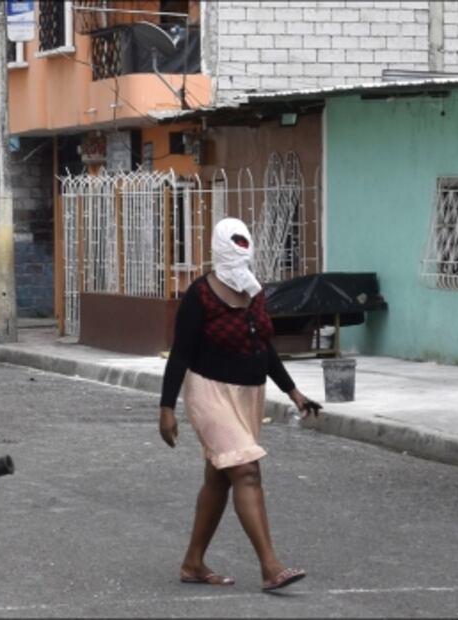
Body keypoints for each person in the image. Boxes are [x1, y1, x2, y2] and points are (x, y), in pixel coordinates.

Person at [158, 218, 321, 593]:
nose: (240, 250)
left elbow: (264, 346)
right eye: (234, 243)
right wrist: (166, 408)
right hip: (209, 392)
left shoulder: (253, 290)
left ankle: (193, 562)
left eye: (244, 242)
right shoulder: (200, 294)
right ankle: (270, 566)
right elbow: (180, 353)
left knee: (219, 478)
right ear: (220, 247)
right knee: (246, 471)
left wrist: (293, 392)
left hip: (249, 396)